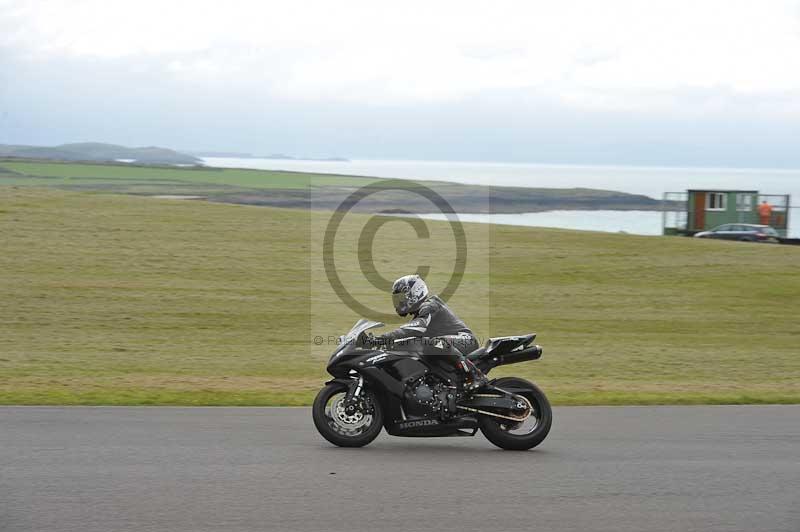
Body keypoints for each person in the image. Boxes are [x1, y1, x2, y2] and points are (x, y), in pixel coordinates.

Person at [368, 274, 488, 391]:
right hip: (449, 346)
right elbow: (407, 336)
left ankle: (475, 374)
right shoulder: (420, 315)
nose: (399, 302)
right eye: (397, 299)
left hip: (466, 340)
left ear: (414, 293)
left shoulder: (430, 305)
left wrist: (381, 339)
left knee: (434, 343)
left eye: (402, 298)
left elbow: (412, 330)